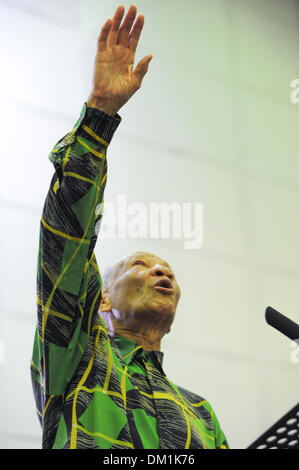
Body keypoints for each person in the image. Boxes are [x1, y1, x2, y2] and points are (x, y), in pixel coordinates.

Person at [31, 4, 229, 449]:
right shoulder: (75, 359)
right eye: (141, 265)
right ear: (100, 298)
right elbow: (67, 241)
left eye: (168, 271)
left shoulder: (202, 415)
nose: (163, 273)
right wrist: (100, 114)